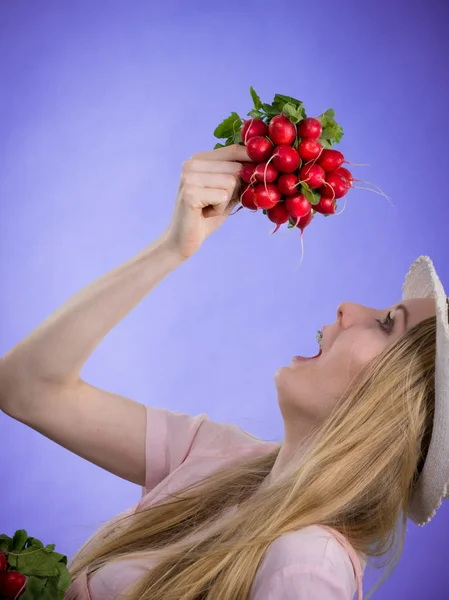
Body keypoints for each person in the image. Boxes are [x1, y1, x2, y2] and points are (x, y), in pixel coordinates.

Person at [0, 144, 447, 600]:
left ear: (395, 410)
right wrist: (172, 248)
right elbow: (25, 388)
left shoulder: (309, 566)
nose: (349, 307)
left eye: (388, 323)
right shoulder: (221, 456)